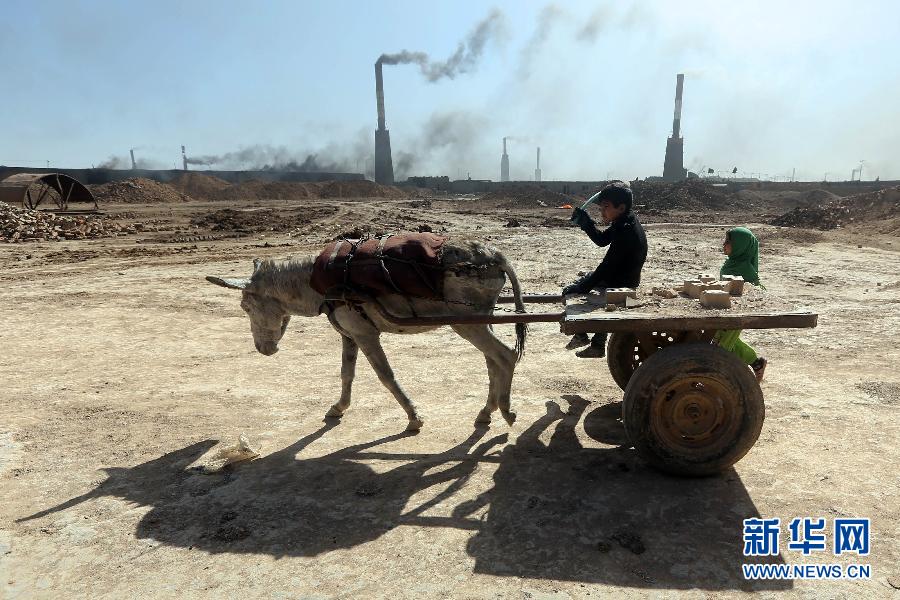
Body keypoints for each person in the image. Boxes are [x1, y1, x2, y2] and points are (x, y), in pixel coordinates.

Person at [563, 181, 648, 358]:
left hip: (621, 281)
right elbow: (602, 240)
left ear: (621, 207)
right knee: (584, 282)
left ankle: (584, 336)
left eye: (606, 207)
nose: (602, 212)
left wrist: (583, 287)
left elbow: (606, 267)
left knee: (572, 292)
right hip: (622, 276)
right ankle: (594, 342)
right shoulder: (624, 221)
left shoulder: (626, 231)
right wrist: (586, 223)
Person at [715, 227, 767, 381]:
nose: (724, 245)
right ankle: (757, 363)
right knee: (722, 338)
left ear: (740, 246)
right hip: (727, 309)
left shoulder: (745, 269)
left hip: (737, 313)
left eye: (728, 242)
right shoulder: (731, 263)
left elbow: (757, 290)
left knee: (721, 346)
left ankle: (720, 380)